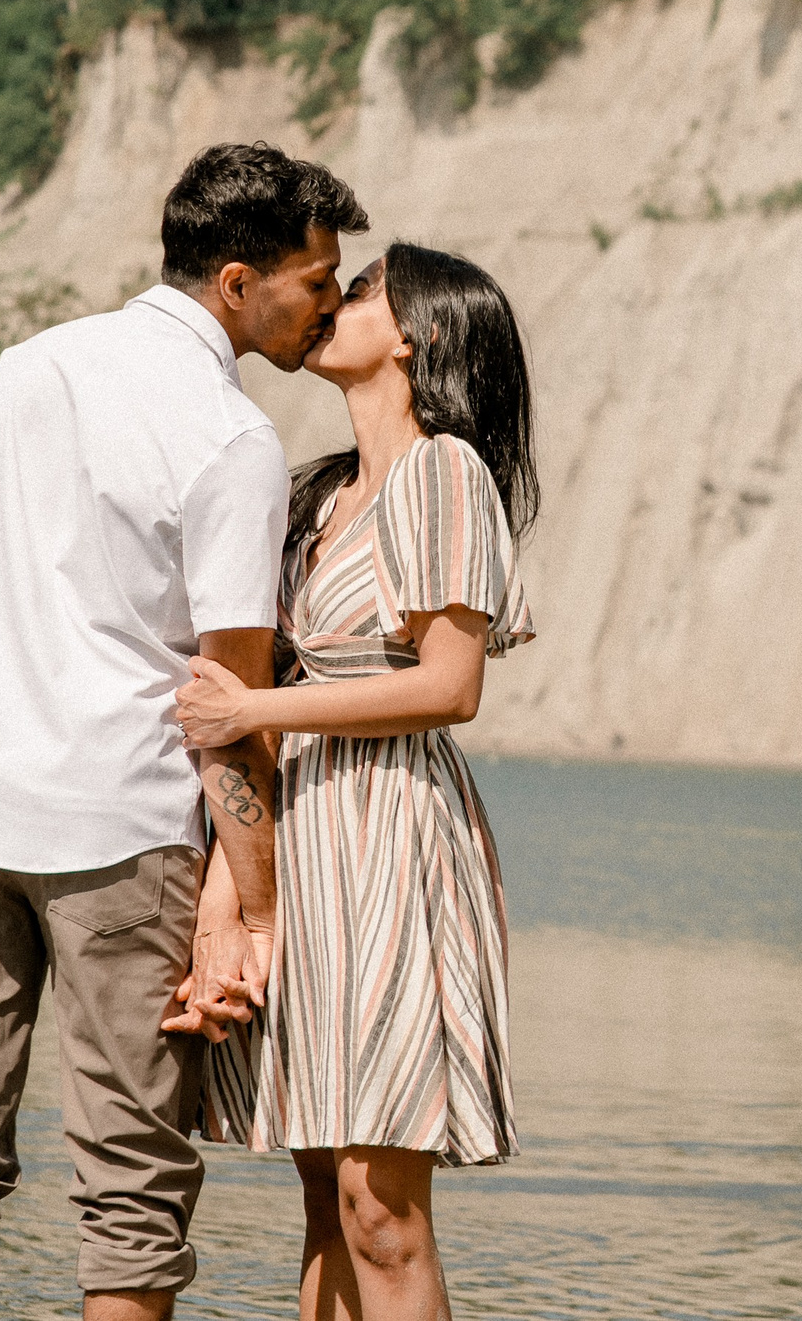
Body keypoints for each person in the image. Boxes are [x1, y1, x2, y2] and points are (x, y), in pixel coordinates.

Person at [0, 143, 369, 1321]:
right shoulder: (230, 437)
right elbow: (229, 699)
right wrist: (256, 908)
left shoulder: (25, 370)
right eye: (317, 281)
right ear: (238, 282)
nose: (331, 304)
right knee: (131, 1194)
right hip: (119, 831)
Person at [168, 241, 537, 1321]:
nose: (334, 299)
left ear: (422, 331)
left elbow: (450, 687)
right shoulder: (322, 491)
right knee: (324, 1195)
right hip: (298, 832)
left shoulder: (442, 472)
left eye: (363, 287)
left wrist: (253, 711)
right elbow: (257, 698)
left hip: (392, 836)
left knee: (381, 1206)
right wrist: (224, 910)